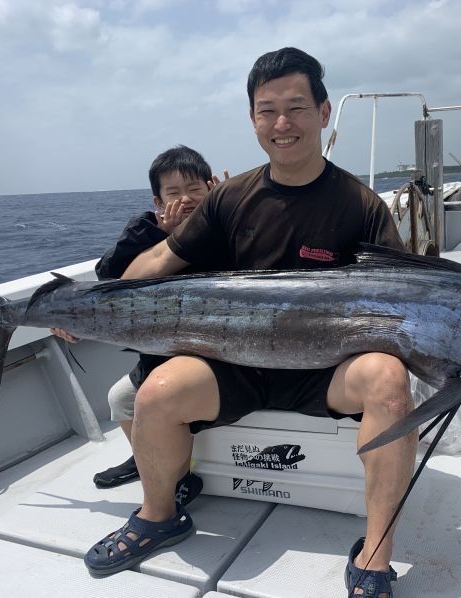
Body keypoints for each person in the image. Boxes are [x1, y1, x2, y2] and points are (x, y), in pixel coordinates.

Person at [83, 47, 410, 597]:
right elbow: (156, 266)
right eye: (267, 110)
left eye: (297, 107)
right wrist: (86, 305)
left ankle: (375, 555)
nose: (283, 124)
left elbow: (404, 303)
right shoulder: (229, 198)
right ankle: (159, 513)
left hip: (324, 369)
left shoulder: (362, 205)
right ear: (253, 119)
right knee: (155, 391)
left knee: (388, 379)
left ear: (324, 113)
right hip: (238, 363)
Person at [53, 145, 226, 509]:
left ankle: (169, 471)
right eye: (173, 193)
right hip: (157, 354)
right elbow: (109, 280)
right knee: (120, 399)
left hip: (209, 353)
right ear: (158, 201)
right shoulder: (144, 230)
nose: (186, 200)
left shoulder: (225, 224)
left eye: (195, 189)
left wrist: (230, 210)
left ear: (211, 188)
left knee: (155, 398)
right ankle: (147, 460)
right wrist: (160, 236)